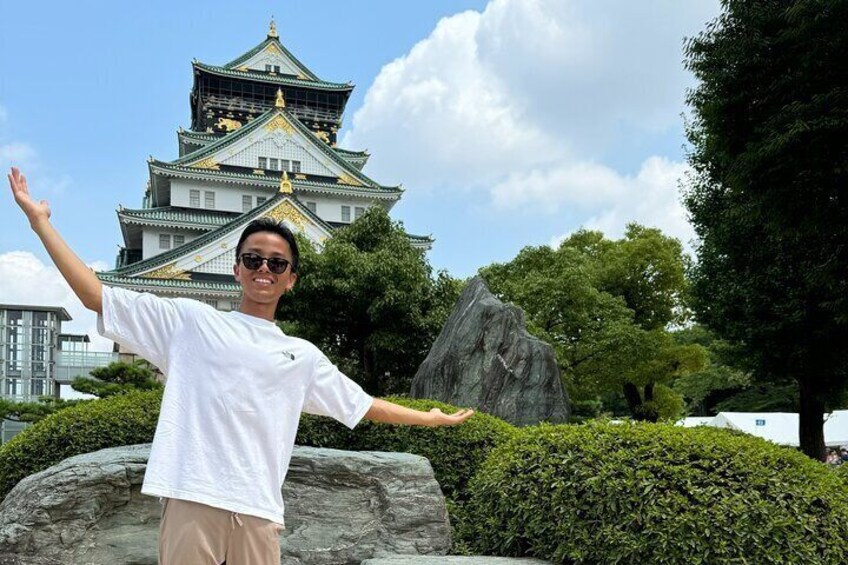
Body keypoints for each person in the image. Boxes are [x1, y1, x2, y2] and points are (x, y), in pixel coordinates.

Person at [7, 167, 474, 565]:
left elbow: (362, 404)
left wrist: (428, 418)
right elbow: (96, 295)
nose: (263, 269)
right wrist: (40, 223)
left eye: (276, 262)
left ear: (291, 278)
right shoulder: (190, 321)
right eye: (253, 260)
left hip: (258, 509)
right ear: (236, 269)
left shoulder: (302, 355)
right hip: (193, 496)